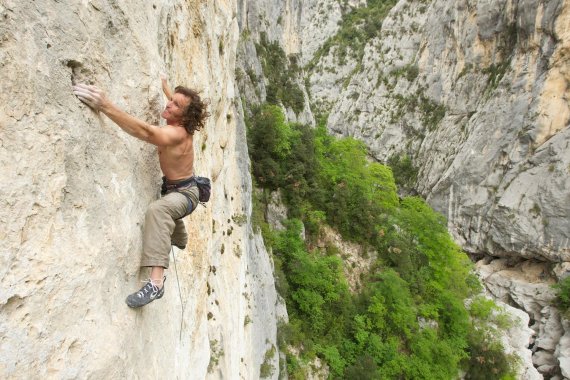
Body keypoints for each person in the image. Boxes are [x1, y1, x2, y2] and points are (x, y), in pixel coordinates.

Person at [73, 78, 210, 308]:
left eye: (175, 105)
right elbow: (176, 102)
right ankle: (180, 236)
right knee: (167, 207)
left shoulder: (176, 134)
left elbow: (144, 131)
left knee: (158, 210)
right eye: (171, 101)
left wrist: (105, 104)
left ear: (184, 117)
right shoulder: (184, 119)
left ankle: (155, 284)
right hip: (178, 190)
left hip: (186, 195)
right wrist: (168, 89)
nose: (169, 105)